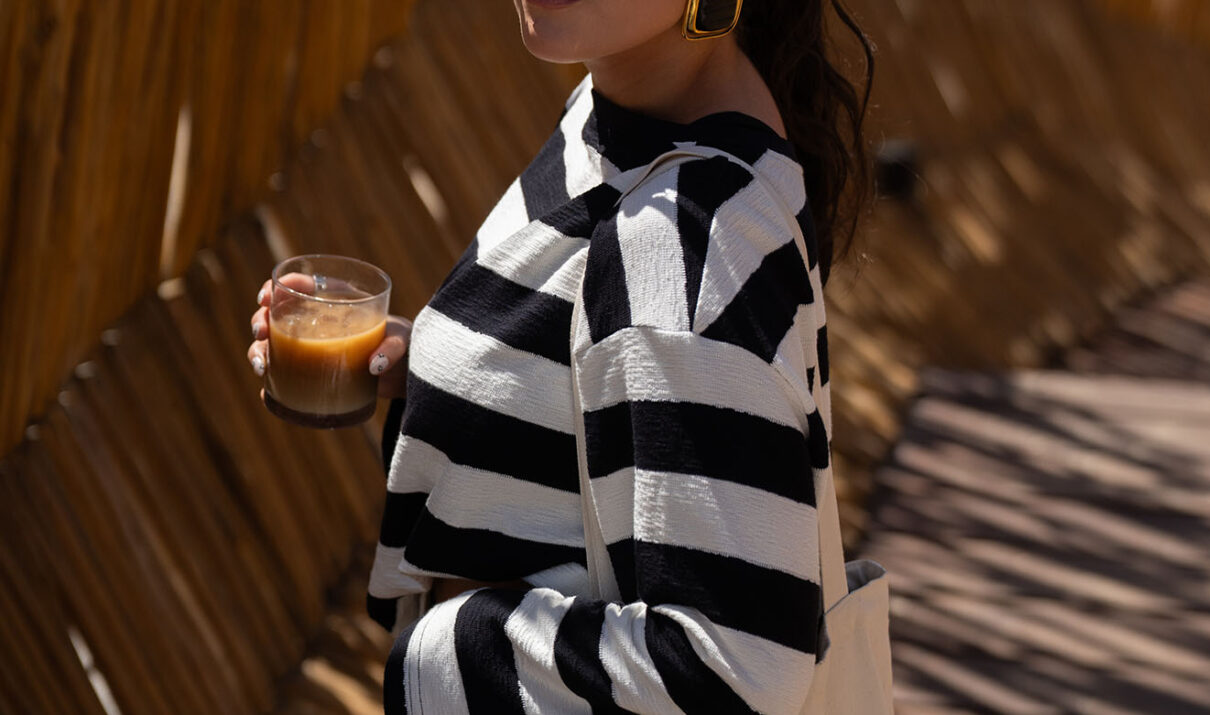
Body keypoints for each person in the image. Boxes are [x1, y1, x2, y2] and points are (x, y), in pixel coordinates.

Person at [249, 0, 876, 711]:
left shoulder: (686, 230)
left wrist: (450, 647)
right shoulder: (626, 109)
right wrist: (429, 361)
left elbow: (738, 668)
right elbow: (610, 366)